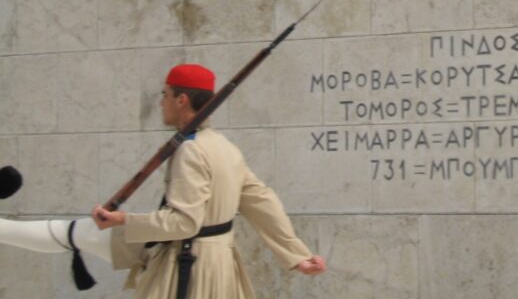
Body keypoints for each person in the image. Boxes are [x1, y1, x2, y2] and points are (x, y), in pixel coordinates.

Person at [0, 64, 327, 298]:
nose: (161, 102)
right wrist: (296, 254)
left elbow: (184, 223)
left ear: (181, 100)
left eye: (165, 94)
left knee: (77, 232)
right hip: (218, 262)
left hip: (189, 263)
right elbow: (263, 202)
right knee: (77, 232)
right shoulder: (226, 148)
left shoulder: (190, 150)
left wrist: (123, 220)